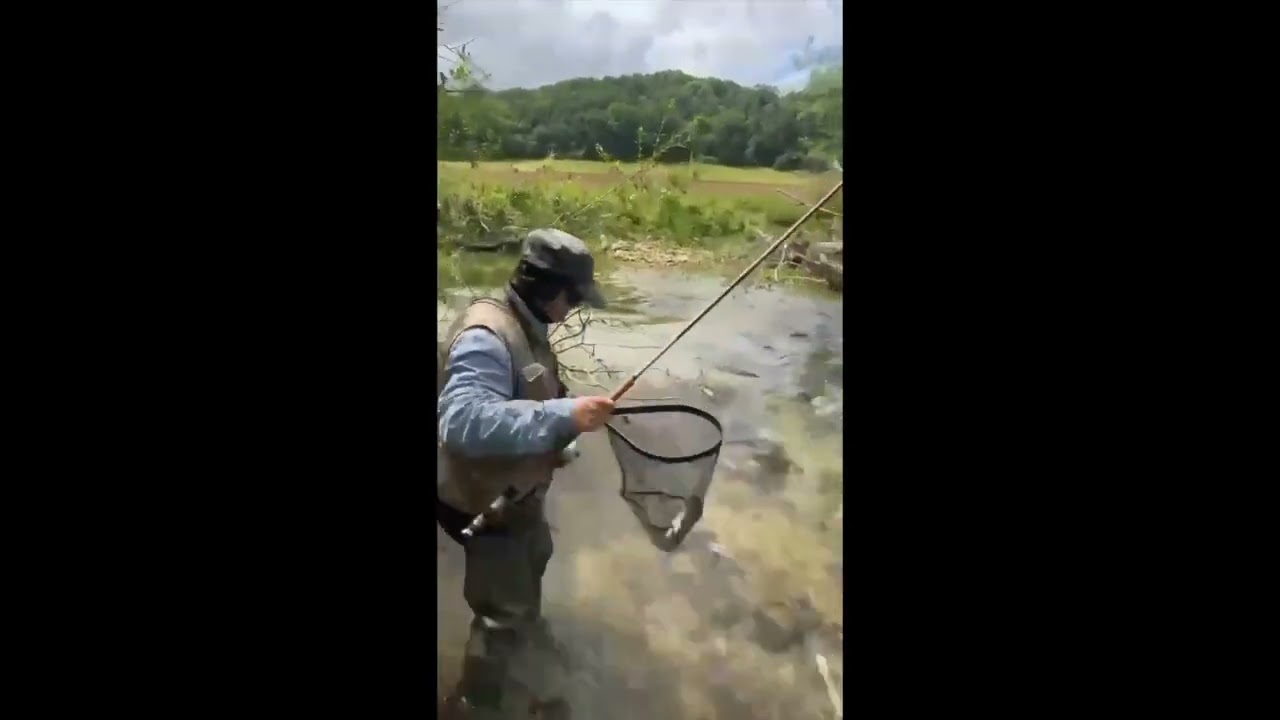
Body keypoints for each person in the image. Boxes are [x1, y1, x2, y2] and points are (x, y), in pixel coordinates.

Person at [437, 228, 614, 718]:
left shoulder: (528, 327)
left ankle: (524, 637)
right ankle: (474, 701)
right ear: (555, 293)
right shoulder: (487, 336)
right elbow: (462, 422)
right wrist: (564, 416)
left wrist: (561, 430)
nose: (575, 309)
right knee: (500, 616)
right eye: (576, 298)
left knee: (537, 550)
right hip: (478, 502)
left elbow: (527, 399)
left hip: (513, 496)